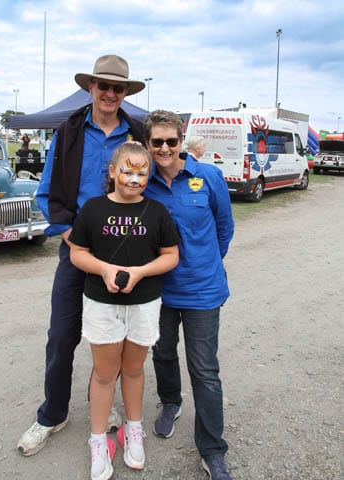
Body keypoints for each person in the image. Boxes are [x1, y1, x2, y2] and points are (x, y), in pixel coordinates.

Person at [17, 54, 146, 457]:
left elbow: (155, 180)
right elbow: (47, 195)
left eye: (117, 87)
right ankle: (52, 414)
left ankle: (101, 407)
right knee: (62, 335)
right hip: (77, 251)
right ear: (91, 87)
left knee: (112, 337)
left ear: (125, 93)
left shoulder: (137, 134)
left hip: (124, 254)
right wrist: (74, 241)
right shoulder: (68, 132)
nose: (109, 93)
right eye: (103, 85)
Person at [69, 141, 179, 480]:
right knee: (104, 374)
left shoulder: (157, 212)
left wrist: (140, 273)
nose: (134, 179)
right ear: (112, 171)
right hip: (101, 305)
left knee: (133, 370)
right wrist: (104, 270)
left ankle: (133, 429)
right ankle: (98, 440)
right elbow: (77, 252)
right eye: (127, 172)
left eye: (142, 173)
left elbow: (171, 255)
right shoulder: (93, 208)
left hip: (144, 304)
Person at [143, 110, 235, 480]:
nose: (165, 148)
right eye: (157, 142)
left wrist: (204, 263)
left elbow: (224, 228)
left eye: (171, 141)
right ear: (148, 144)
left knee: (205, 370)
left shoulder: (208, 176)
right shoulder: (143, 181)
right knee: (163, 352)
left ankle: (212, 451)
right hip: (158, 291)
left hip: (202, 291)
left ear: (181, 140)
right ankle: (170, 402)